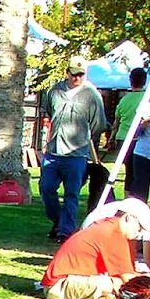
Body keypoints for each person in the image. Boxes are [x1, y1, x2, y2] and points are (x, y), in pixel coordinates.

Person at [41, 56, 107, 242]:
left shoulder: (92, 95)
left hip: (76, 153)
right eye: (74, 73)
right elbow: (49, 112)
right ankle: (58, 220)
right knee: (46, 188)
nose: (77, 77)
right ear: (67, 72)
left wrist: (84, 138)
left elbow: (99, 123)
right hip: (53, 151)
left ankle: (65, 231)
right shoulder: (55, 91)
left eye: (81, 74)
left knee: (72, 193)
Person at [40, 208, 146, 299]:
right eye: (139, 227)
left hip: (60, 284)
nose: (140, 233)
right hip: (59, 285)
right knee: (120, 284)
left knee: (117, 295)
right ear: (129, 218)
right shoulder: (113, 233)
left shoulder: (108, 226)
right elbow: (128, 279)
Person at [124, 77, 150, 205]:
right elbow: (134, 128)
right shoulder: (146, 105)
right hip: (142, 153)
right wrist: (143, 124)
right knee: (140, 191)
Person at [112, 67, 149, 197]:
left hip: (124, 138)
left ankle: (126, 198)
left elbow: (116, 121)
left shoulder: (124, 100)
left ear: (130, 81)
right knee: (140, 174)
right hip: (140, 139)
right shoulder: (148, 98)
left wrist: (111, 138)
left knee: (129, 172)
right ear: (145, 81)